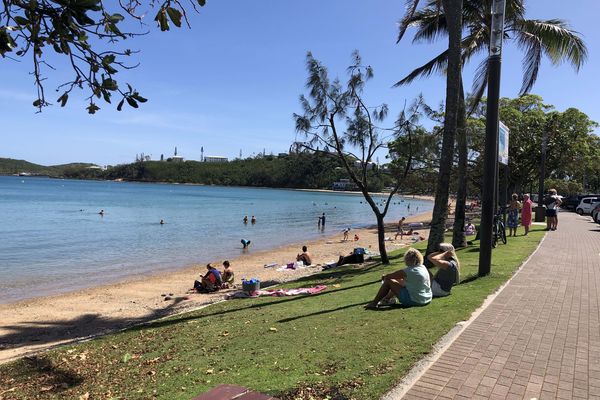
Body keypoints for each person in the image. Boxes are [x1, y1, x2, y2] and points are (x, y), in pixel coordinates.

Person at [364, 248, 431, 309]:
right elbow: (403, 281)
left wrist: (384, 277)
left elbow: (388, 277)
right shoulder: (423, 267)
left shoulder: (408, 271)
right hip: (426, 298)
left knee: (388, 281)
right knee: (397, 282)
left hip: (415, 301)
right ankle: (386, 299)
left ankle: (374, 303)